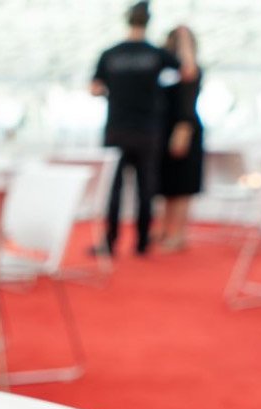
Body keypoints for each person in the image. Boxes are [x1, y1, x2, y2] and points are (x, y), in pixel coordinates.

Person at [91, 1, 196, 257]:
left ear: (127, 20)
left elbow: (94, 88)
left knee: (113, 189)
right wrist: (183, 39)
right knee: (145, 188)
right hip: (148, 131)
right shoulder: (155, 54)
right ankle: (141, 243)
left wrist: (115, 93)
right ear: (148, 22)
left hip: (116, 129)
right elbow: (189, 72)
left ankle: (110, 242)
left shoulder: (110, 53)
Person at [157, 25, 203, 252]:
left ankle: (179, 235)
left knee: (182, 187)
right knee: (167, 186)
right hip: (163, 130)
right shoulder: (164, 68)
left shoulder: (191, 69)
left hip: (184, 129)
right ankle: (164, 230)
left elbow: (188, 75)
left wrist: (182, 131)